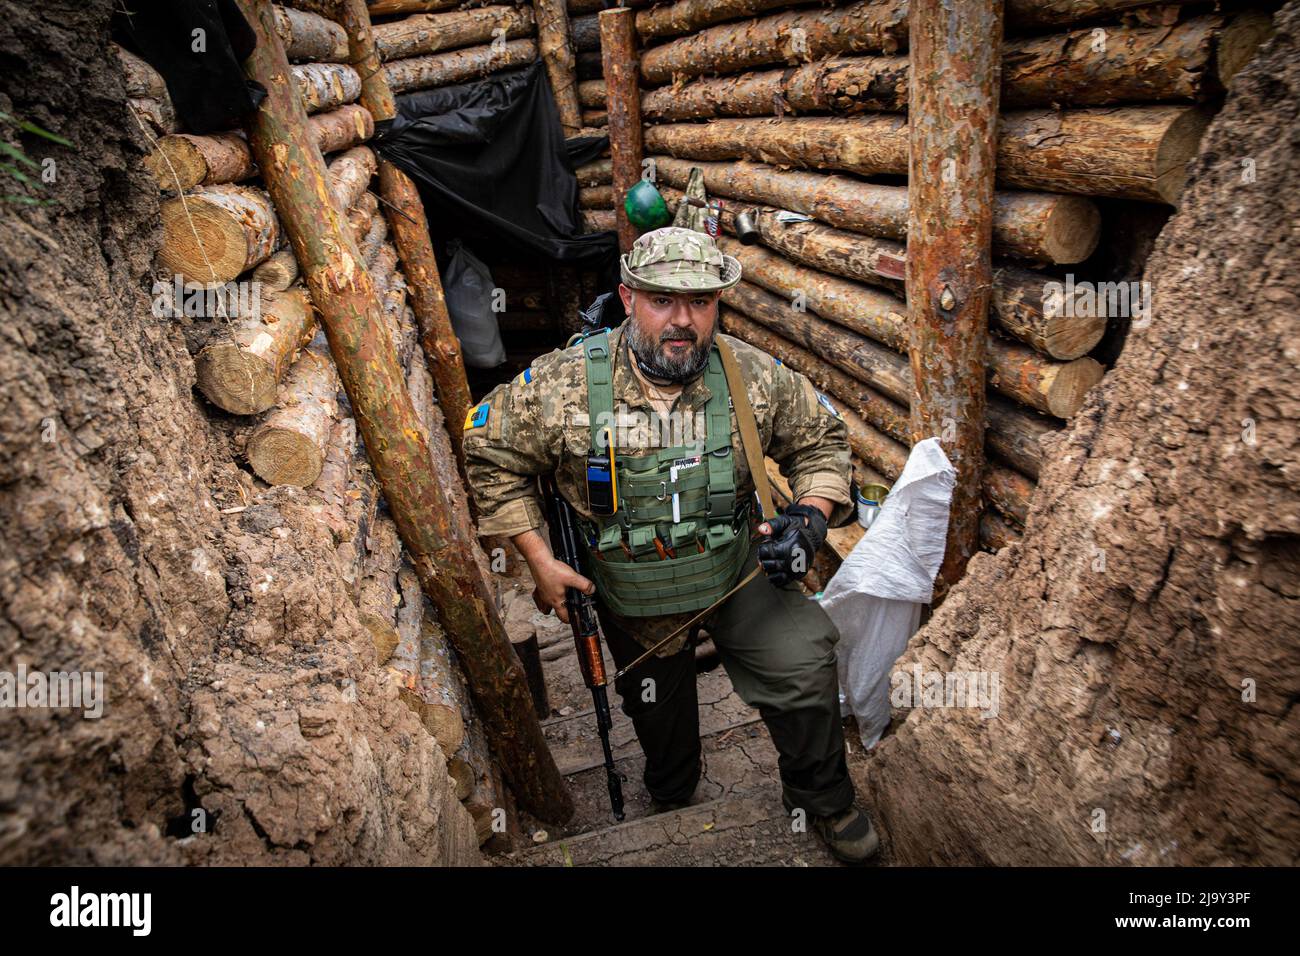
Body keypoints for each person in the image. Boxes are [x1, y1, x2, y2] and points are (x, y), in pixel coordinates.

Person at [463, 226, 879, 863]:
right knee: (659, 712)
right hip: (634, 592)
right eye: (663, 300)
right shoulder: (563, 384)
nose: (683, 321)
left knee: (804, 668)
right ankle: (674, 786)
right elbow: (490, 452)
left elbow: (821, 442)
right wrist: (540, 561)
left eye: (702, 302)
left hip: (739, 568)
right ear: (628, 298)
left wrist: (811, 517)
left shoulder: (753, 376)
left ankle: (823, 798)